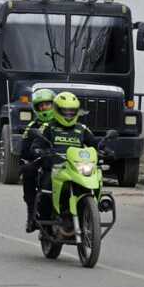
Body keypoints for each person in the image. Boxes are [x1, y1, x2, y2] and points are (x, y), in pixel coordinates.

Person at [30, 92, 100, 221]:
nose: (68, 115)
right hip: (55, 169)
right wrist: (39, 150)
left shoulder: (82, 129)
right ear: (57, 110)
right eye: (65, 111)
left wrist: (105, 150)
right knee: (46, 190)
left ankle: (89, 213)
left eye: (72, 112)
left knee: (96, 178)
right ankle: (45, 220)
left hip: (77, 168)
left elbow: (95, 145)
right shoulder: (48, 127)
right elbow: (36, 145)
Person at [20, 88, 56, 233]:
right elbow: (24, 150)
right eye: (41, 106)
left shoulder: (62, 123)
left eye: (47, 104)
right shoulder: (32, 127)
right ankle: (31, 214)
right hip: (42, 162)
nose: (44, 108)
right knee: (28, 170)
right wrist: (36, 153)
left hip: (65, 161)